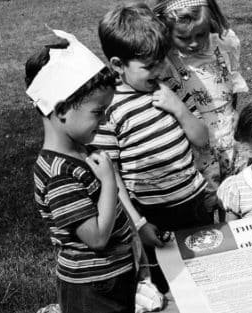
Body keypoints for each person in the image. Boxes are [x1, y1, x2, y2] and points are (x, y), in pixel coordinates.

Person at [93, 2, 212, 294]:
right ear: (118, 65)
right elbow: (113, 175)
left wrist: (179, 109)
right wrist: (139, 222)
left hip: (195, 200)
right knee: (170, 288)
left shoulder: (168, 87)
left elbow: (201, 139)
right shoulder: (109, 109)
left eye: (162, 60)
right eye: (149, 65)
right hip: (154, 214)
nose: (160, 69)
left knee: (209, 276)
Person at [27, 29, 136, 312]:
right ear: (61, 109)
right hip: (93, 289)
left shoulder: (79, 151)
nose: (104, 119)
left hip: (111, 278)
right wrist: (109, 182)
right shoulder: (59, 174)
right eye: (97, 112)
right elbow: (97, 238)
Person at [154, 0, 249, 218]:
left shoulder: (225, 45)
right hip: (196, 149)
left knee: (235, 203)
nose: (194, 43)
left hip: (229, 141)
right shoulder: (165, 59)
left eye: (201, 34)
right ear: (167, 31)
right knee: (204, 210)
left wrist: (233, 112)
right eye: (184, 37)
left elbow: (229, 86)